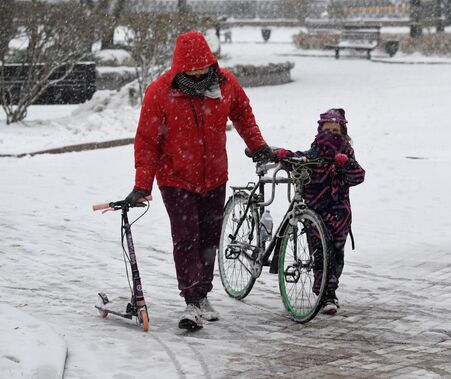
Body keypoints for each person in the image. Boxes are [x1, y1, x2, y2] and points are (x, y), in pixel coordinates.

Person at [125, 31, 274, 330]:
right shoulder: (160, 92)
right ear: (180, 67)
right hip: (176, 178)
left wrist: (258, 146)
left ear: (210, 63)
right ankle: (191, 300)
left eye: (202, 68)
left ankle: (203, 294)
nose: (197, 74)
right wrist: (143, 184)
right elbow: (147, 141)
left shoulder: (225, 84)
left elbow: (243, 115)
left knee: (209, 238)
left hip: (214, 176)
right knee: (186, 237)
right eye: (190, 70)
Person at [274, 108, 365, 315]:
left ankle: (329, 291)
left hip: (339, 211)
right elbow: (301, 159)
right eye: (327, 129)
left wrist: (345, 163)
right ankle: (324, 293)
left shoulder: (346, 153)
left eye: (336, 129)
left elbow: (358, 176)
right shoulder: (315, 151)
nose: (331, 133)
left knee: (336, 253)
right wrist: (285, 156)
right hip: (315, 210)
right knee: (320, 252)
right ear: (320, 130)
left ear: (343, 131)